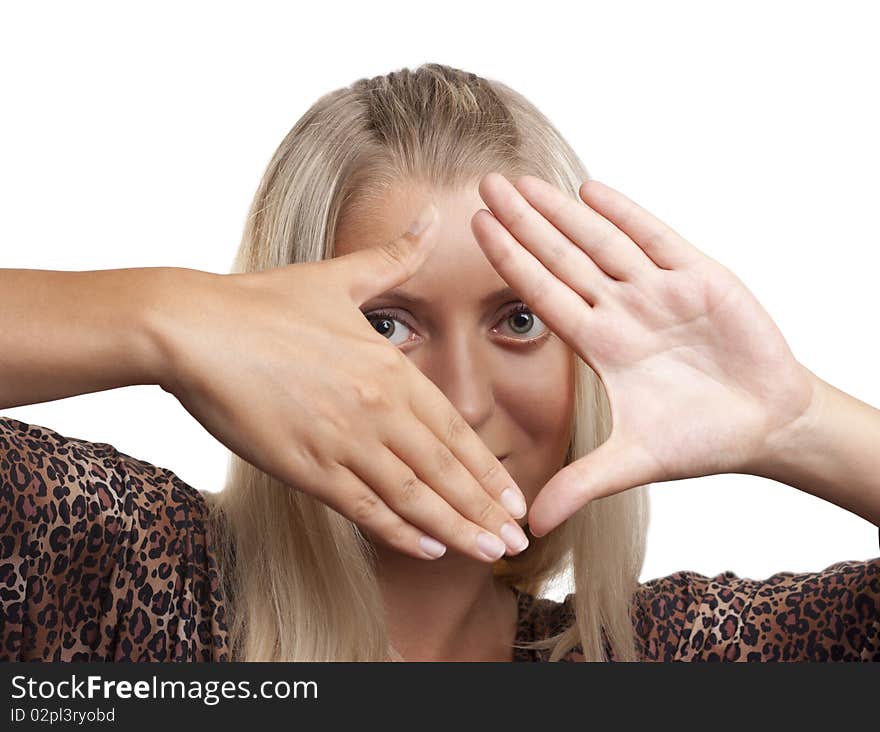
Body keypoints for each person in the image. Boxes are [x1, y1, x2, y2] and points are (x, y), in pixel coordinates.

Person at [1, 63, 878, 663]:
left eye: (521, 319)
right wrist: (163, 319)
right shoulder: (109, 563)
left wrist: (800, 425)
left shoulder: (660, 661)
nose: (460, 401)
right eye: (389, 326)